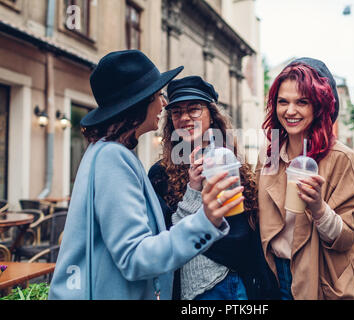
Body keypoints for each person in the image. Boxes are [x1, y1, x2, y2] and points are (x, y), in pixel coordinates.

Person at [48, 50, 244, 300]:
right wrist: (205, 220)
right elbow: (135, 258)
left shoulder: (109, 152)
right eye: (158, 95)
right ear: (140, 102)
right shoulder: (112, 157)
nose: (164, 103)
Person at [148, 75, 278, 300]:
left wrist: (193, 234)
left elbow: (239, 235)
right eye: (177, 112)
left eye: (194, 109)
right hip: (185, 290)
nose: (185, 118)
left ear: (211, 114)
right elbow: (164, 236)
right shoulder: (160, 174)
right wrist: (194, 191)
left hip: (228, 283)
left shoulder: (226, 162)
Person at [256, 58, 354, 300]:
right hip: (273, 275)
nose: (290, 111)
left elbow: (347, 237)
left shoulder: (342, 159)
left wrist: (319, 208)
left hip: (318, 279)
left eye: (302, 102)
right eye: (282, 102)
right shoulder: (270, 154)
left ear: (318, 107)